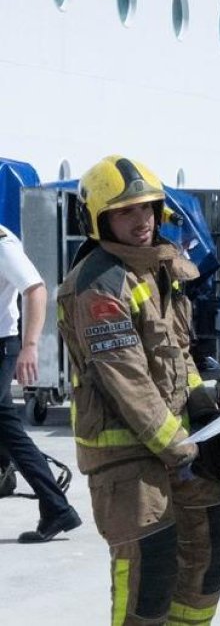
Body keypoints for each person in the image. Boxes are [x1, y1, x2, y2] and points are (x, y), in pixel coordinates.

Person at [58, 155, 220, 625]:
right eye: (124, 212)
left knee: (216, 544)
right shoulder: (99, 284)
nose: (141, 222)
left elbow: (178, 353)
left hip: (178, 443)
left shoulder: (158, 267)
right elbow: (127, 380)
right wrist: (179, 447)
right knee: (149, 575)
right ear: (98, 220)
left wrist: (206, 406)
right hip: (127, 454)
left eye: (147, 209)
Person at [0, 223, 82, 542]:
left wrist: (30, 345)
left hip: (3, 345)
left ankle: (53, 505)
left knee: (8, 428)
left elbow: (35, 288)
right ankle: (55, 507)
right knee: (7, 427)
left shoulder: (3, 243)